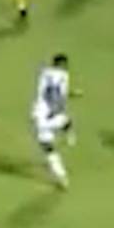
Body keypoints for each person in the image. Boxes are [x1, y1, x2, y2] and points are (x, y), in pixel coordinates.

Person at [31, 54, 76, 190]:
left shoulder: (44, 72)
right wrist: (56, 108)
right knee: (65, 122)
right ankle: (69, 133)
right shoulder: (63, 75)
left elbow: (49, 90)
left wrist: (70, 94)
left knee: (48, 148)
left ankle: (62, 176)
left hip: (38, 115)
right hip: (52, 114)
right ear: (62, 64)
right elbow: (55, 93)